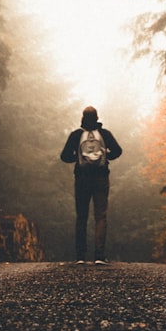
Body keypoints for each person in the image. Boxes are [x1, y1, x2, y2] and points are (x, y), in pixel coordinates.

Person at [60, 106, 122, 265]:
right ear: (97, 118)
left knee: (81, 216)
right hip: (101, 177)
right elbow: (118, 151)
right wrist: (105, 156)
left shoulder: (76, 135)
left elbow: (64, 156)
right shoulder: (104, 134)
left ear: (82, 117)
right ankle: (99, 256)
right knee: (100, 216)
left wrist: (79, 158)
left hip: (82, 178)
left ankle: (80, 256)